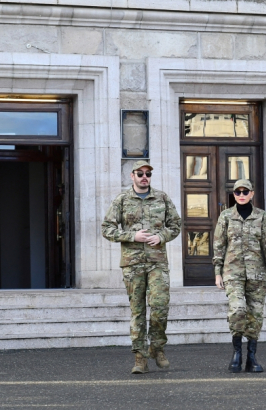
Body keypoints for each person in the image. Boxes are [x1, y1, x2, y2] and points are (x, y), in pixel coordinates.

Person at [102, 160, 181, 374]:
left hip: (157, 262)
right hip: (132, 263)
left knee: (160, 307)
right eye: (140, 173)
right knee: (137, 312)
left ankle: (157, 347)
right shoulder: (122, 200)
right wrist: (132, 236)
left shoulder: (162, 198)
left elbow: (176, 225)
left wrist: (161, 236)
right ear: (132, 176)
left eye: (148, 173)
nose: (144, 177)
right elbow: (107, 229)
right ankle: (140, 358)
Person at [213, 179, 266, 373]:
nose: (241, 195)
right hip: (233, 273)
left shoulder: (261, 216)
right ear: (234, 195)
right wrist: (217, 272)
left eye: (245, 192)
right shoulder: (226, 216)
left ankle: (251, 356)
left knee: (255, 315)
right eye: (237, 192)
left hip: (257, 274)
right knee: (237, 310)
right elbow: (219, 245)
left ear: (252, 193)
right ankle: (236, 353)